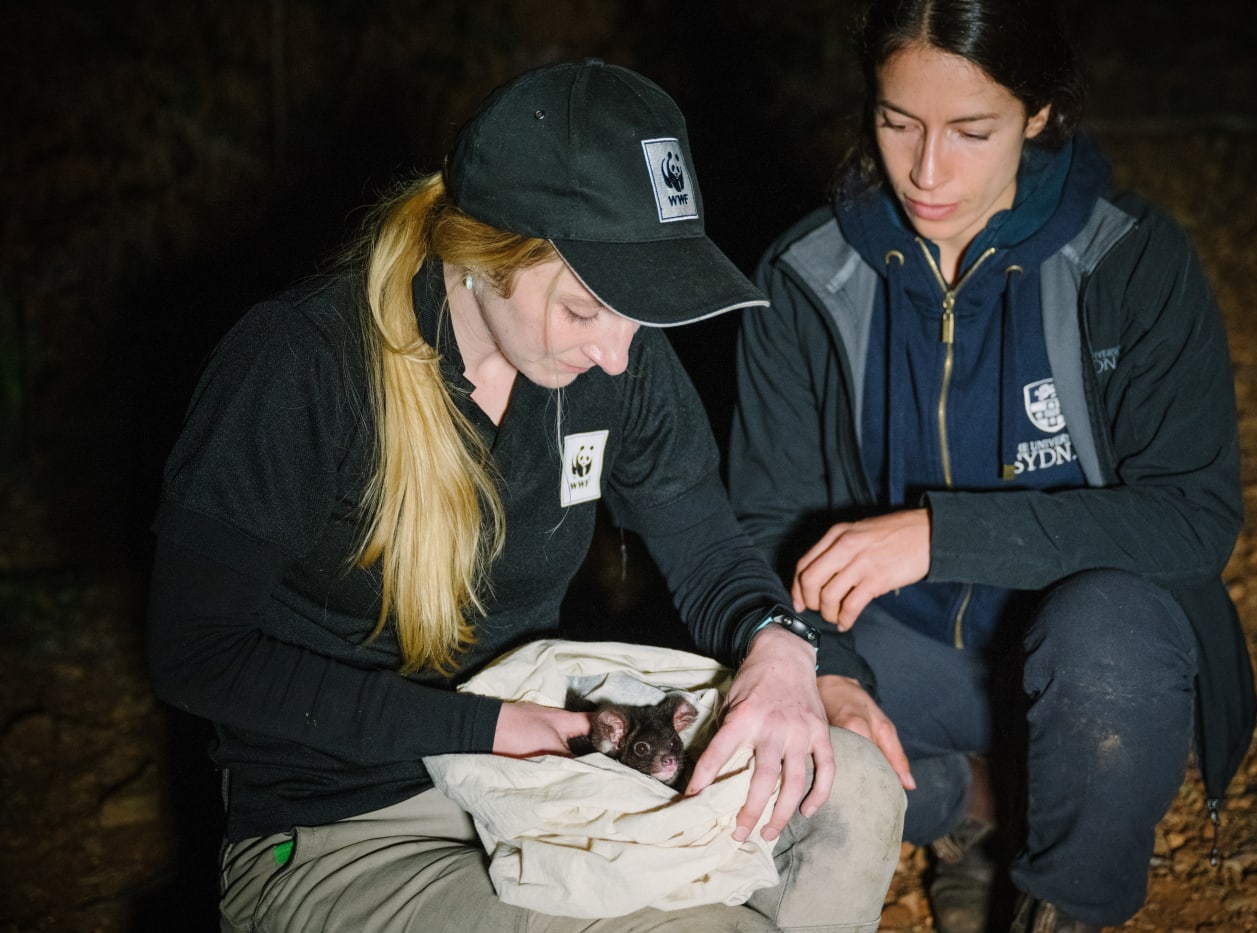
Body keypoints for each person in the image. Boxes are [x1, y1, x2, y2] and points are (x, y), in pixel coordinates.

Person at [145, 60, 905, 933]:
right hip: (344, 823)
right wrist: (485, 725)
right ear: (483, 253)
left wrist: (778, 646)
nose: (620, 354)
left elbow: (702, 540)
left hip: (546, 781)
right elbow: (194, 650)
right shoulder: (301, 365)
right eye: (586, 309)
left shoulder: (612, 354)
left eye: (640, 313)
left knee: (855, 789)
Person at [727, 2, 1257, 931]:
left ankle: (1061, 901)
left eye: (973, 131)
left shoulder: (1131, 263)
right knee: (734, 701)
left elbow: (1194, 518)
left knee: (1112, 634)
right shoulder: (804, 276)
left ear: (1041, 111)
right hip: (904, 668)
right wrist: (832, 671)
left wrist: (943, 533)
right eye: (898, 123)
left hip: (1085, 665)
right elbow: (765, 516)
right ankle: (973, 805)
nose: (928, 172)